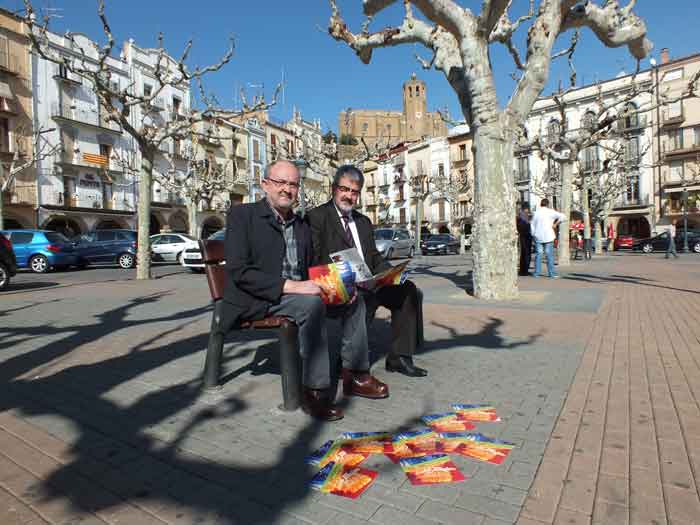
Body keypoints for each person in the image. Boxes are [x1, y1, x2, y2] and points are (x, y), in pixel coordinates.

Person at [224, 159, 343, 421]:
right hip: (254, 297)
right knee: (312, 305)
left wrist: (337, 283)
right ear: (265, 184)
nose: (287, 189)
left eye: (293, 184)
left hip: (293, 294)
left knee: (346, 299)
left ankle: (353, 371)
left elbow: (313, 265)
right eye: (280, 182)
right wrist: (296, 287)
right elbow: (238, 271)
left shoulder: (300, 225)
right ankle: (314, 392)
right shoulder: (242, 215)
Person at [307, 165, 428, 378]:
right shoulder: (317, 217)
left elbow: (373, 257)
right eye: (344, 189)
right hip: (341, 285)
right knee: (362, 298)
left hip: (371, 282)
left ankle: (399, 357)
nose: (349, 196)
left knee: (407, 289)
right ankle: (349, 363)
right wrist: (346, 278)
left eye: (354, 192)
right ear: (334, 188)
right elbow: (314, 259)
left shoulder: (363, 222)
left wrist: (391, 274)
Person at [530, 198, 566, 279]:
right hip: (548, 235)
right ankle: (551, 273)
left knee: (538, 254)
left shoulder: (536, 213)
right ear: (548, 204)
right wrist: (556, 224)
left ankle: (536, 273)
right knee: (549, 255)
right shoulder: (551, 212)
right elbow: (563, 216)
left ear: (540, 204)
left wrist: (533, 234)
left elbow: (532, 225)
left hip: (538, 236)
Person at [516, 203, 533, 276]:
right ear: (527, 209)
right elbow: (526, 225)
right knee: (526, 253)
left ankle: (523, 270)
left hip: (522, 235)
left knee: (523, 253)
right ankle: (525, 270)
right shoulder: (524, 216)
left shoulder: (520, 215)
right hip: (526, 236)